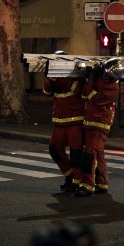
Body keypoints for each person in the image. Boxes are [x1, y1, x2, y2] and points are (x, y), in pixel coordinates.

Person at [74, 58, 124, 197]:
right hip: (91, 122)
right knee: (99, 153)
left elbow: (95, 98)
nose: (104, 75)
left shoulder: (113, 88)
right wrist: (92, 77)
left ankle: (87, 185)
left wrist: (90, 81)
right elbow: (85, 95)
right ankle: (102, 184)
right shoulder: (101, 78)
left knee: (89, 154)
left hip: (99, 124)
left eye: (106, 74)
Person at [43, 51, 86, 192]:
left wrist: (64, 77)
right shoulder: (54, 77)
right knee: (54, 150)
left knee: (76, 154)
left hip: (75, 121)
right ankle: (69, 175)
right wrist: (52, 80)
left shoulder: (76, 76)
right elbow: (46, 91)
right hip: (59, 121)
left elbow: (77, 90)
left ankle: (77, 182)